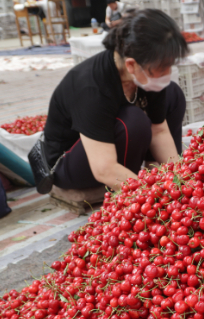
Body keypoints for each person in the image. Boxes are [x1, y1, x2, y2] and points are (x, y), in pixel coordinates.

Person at [38, 10, 188, 196]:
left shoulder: (145, 72)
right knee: (133, 122)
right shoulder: (91, 86)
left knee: (173, 93)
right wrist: (152, 196)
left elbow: (159, 130)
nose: (167, 72)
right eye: (162, 67)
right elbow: (104, 168)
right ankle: (131, 187)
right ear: (131, 65)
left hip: (110, 149)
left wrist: (181, 180)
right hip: (71, 162)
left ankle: (154, 174)